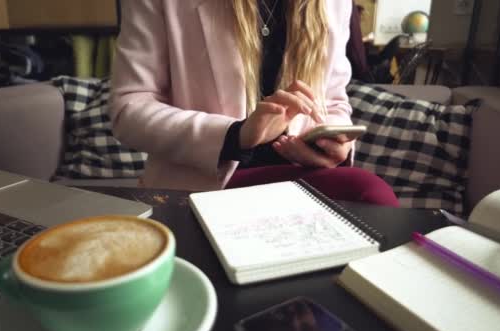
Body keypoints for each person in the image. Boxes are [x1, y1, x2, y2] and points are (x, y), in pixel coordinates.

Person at [110, 0, 398, 207]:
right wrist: (235, 136)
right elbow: (129, 108)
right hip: (206, 185)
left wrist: (333, 145)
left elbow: (334, 99)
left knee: (372, 196)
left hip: (299, 174)